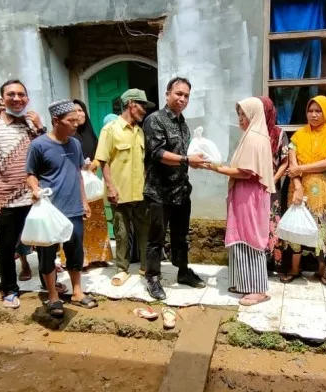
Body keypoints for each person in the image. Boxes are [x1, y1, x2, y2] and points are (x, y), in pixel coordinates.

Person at [0, 79, 46, 309]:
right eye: (11, 94)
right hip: (7, 199)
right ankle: (9, 289)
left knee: (45, 243)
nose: (17, 99)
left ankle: (48, 282)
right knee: (6, 247)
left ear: (27, 98)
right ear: (2, 98)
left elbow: (46, 153)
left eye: (21, 95)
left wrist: (40, 127)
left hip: (35, 197)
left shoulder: (31, 124)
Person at [26, 99, 98, 318]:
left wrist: (84, 201)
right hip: (50, 210)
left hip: (73, 208)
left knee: (75, 251)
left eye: (77, 120)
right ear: (56, 121)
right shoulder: (39, 145)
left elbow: (78, 174)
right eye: (71, 121)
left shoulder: (75, 144)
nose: (76, 125)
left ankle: (77, 292)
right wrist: (35, 190)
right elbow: (30, 175)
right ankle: (53, 296)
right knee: (47, 255)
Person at [143, 77, 209, 299]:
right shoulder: (155, 120)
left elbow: (185, 156)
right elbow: (158, 153)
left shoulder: (183, 124)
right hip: (159, 193)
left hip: (181, 191)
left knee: (181, 236)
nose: (182, 99)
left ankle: (182, 271)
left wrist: (196, 161)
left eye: (186, 95)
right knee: (156, 238)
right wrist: (187, 160)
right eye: (178, 93)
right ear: (167, 94)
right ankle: (153, 277)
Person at [205, 97, 275, 305]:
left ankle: (259, 289)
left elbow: (246, 172)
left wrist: (216, 168)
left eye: (244, 114)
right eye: (239, 114)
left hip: (250, 196)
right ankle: (244, 283)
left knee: (251, 237)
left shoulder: (254, 137)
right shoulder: (252, 136)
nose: (240, 119)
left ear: (254, 115)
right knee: (240, 235)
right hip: (245, 195)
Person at [283, 96, 326, 286]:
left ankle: (321, 270)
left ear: (325, 112)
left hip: (321, 191)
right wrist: (298, 186)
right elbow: (292, 165)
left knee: (320, 228)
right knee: (295, 227)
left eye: (318, 111)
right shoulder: (298, 135)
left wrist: (302, 169)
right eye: (310, 111)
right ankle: (295, 267)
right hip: (297, 188)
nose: (314, 114)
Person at [95, 89, 153, 289]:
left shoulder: (140, 131)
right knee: (121, 232)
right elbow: (104, 161)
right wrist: (110, 187)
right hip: (119, 192)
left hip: (140, 192)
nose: (144, 111)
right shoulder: (110, 129)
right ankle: (122, 268)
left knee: (145, 232)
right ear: (131, 104)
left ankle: (146, 268)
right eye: (142, 106)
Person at [72, 99, 113, 268]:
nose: (79, 114)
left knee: (96, 220)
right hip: (75, 186)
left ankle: (99, 256)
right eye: (74, 111)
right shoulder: (68, 135)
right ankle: (82, 259)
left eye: (81, 110)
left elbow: (100, 153)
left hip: (91, 184)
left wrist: (94, 164)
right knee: (80, 221)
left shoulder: (90, 133)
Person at [259, 97, 289, 272]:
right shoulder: (252, 132)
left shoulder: (278, 134)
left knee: (272, 222)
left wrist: (272, 181)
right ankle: (258, 262)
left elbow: (284, 162)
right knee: (258, 223)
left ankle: (272, 262)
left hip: (272, 187)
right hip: (254, 187)